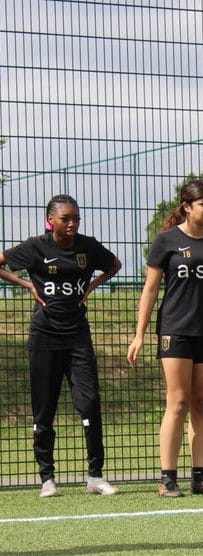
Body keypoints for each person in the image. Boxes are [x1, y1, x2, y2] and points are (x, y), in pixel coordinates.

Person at [0, 194, 122, 497]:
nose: (72, 224)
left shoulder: (87, 246)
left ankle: (95, 477)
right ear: (50, 220)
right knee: (45, 408)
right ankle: (47, 478)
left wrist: (92, 286)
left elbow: (114, 264)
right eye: (66, 218)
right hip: (44, 336)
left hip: (77, 336)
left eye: (76, 218)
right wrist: (27, 285)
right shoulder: (34, 247)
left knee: (90, 403)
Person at [127, 179, 203, 498]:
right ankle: (167, 479)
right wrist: (139, 334)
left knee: (202, 404)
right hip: (175, 332)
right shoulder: (166, 241)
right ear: (187, 206)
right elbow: (150, 290)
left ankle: (200, 478)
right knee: (178, 403)